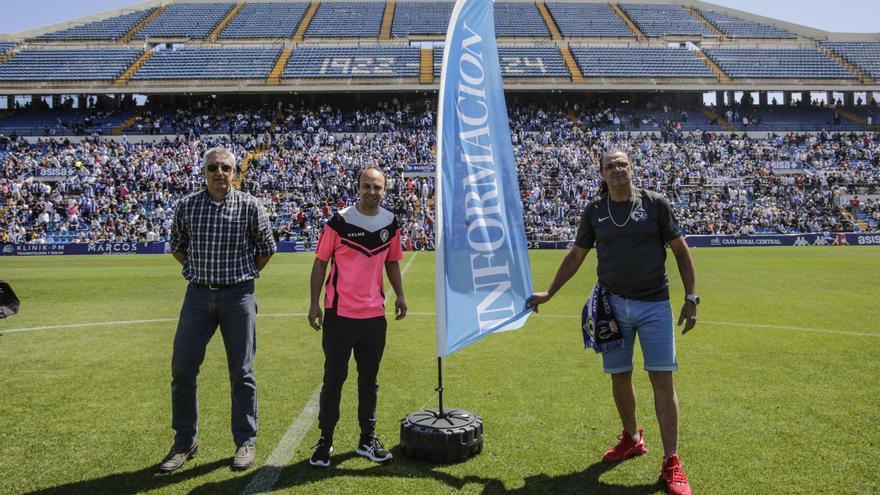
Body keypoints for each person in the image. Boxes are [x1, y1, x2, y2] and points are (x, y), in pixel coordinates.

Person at [528, 150, 698, 495]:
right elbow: (576, 255)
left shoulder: (655, 204)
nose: (617, 170)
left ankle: (672, 461)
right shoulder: (594, 211)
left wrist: (691, 298)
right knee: (619, 377)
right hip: (612, 306)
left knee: (661, 379)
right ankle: (632, 438)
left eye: (622, 164)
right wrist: (550, 293)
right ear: (602, 175)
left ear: (631, 168)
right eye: (610, 166)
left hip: (654, 305)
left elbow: (681, 251)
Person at [158, 146, 276, 473]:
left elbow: (266, 249)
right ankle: (184, 441)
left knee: (242, 372)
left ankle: (245, 440)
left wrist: (240, 276)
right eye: (213, 168)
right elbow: (178, 247)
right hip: (197, 296)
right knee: (182, 369)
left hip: (238, 296)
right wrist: (202, 272)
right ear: (204, 172)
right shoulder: (187, 207)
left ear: (235, 172)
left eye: (226, 168)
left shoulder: (251, 207)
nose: (220, 173)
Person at [307, 167, 407, 468]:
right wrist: (314, 304)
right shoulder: (338, 221)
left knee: (369, 381)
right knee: (333, 379)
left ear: (384, 190)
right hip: (340, 315)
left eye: (377, 187)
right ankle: (325, 441)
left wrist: (400, 295)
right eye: (366, 186)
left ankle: (367, 439)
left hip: (374, 316)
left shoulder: (391, 222)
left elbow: (391, 262)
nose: (371, 192)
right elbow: (320, 263)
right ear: (358, 187)